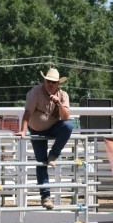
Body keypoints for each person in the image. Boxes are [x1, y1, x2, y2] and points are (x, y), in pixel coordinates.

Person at [16, 68, 73, 209]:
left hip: (53, 127)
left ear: (58, 83)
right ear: (44, 81)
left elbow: (66, 117)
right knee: (41, 161)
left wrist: (58, 103)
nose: (50, 84)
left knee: (68, 126)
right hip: (36, 130)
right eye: (48, 81)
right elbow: (27, 112)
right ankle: (45, 197)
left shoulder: (63, 95)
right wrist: (23, 131)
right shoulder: (35, 92)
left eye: (53, 82)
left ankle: (53, 154)